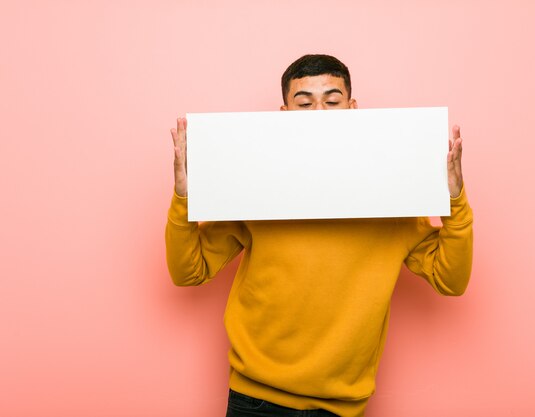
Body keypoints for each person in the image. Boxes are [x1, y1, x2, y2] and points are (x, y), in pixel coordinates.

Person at [166, 54, 473, 417]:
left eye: (331, 101)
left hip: (343, 407)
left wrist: (454, 201)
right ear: (284, 115)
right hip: (255, 400)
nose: (319, 114)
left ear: (352, 108)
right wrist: (186, 197)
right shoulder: (252, 186)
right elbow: (189, 272)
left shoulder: (393, 198)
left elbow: (450, 281)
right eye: (304, 103)